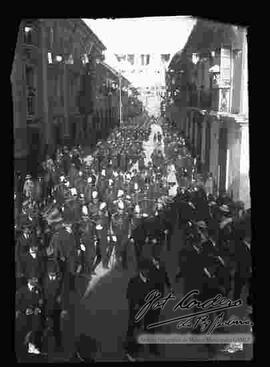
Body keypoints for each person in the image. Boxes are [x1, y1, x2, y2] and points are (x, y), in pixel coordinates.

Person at [124, 258, 155, 361]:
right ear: (141, 270)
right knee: (132, 329)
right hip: (136, 311)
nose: (148, 272)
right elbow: (129, 295)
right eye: (146, 270)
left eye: (149, 270)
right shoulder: (133, 281)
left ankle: (141, 348)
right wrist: (135, 305)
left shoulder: (151, 281)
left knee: (144, 329)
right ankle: (129, 351)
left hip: (147, 311)